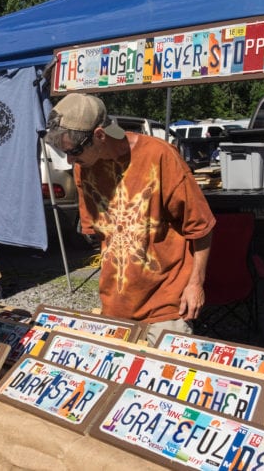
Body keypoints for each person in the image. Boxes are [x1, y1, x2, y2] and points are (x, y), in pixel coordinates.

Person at [45, 93, 215, 345]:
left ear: (99, 135)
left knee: (165, 369)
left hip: (165, 305)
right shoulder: (83, 167)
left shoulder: (159, 156)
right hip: (116, 307)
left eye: (74, 151)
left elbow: (201, 226)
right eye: (64, 152)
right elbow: (104, 235)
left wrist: (195, 284)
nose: (70, 160)